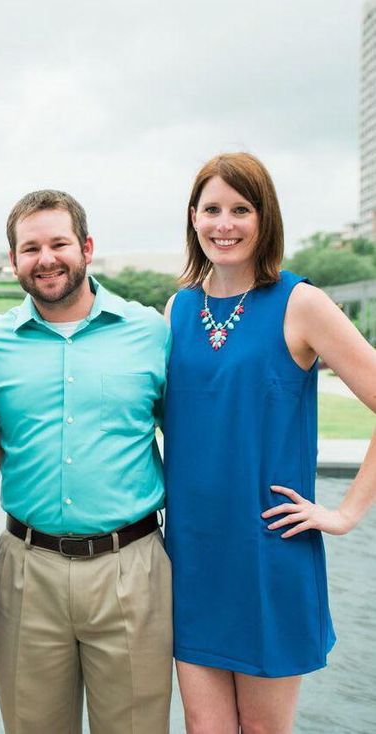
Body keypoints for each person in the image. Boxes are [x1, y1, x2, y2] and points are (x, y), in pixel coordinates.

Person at [163, 152, 376, 733]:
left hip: (268, 550)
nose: (224, 223)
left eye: (241, 209)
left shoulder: (300, 302)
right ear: (193, 217)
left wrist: (346, 513)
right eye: (212, 209)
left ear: (265, 219)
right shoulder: (178, 308)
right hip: (191, 557)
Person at [0, 190, 172, 734]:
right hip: (27, 568)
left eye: (58, 243)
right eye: (30, 247)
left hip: (131, 565)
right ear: (13, 260)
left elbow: (185, 440)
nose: (46, 258)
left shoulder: (150, 332)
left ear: (85, 247)